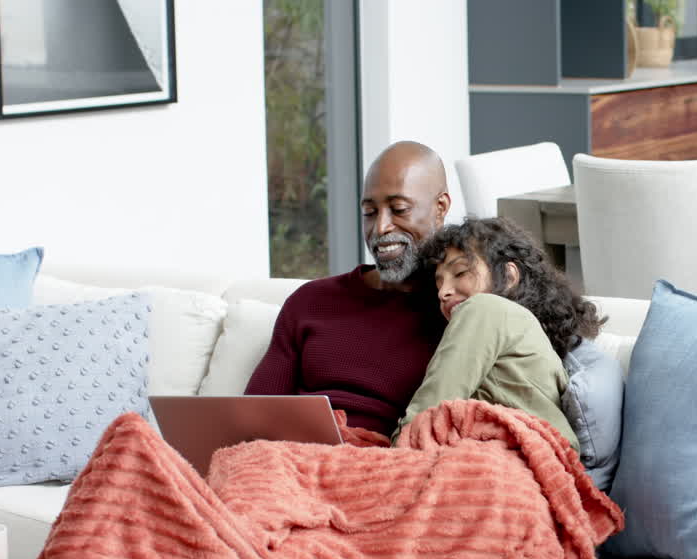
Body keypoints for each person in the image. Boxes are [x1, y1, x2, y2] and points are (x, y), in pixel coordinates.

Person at [245, 141, 450, 438]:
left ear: (440, 208)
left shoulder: (456, 311)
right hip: (292, 461)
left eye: (399, 209)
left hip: (385, 468)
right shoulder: (310, 302)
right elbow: (250, 417)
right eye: (369, 212)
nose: (381, 227)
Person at [394, 216, 605, 450]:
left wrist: (394, 452)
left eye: (461, 272)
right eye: (439, 283)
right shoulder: (524, 331)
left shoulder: (485, 308)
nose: (443, 292)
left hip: (514, 459)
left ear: (509, 277)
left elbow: (426, 415)